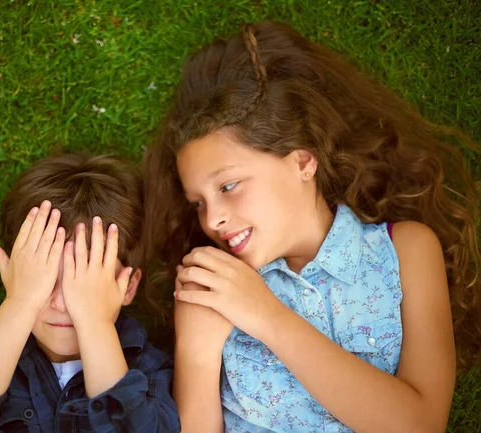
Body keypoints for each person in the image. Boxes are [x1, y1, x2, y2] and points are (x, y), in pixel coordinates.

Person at [143, 21, 481, 433]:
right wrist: (194, 351)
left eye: (228, 186)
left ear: (303, 162)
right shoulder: (210, 292)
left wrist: (266, 314)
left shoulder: (406, 250)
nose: (211, 219)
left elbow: (420, 425)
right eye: (197, 203)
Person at [0, 153, 180, 432]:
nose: (61, 303)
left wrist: (94, 323)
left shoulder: (149, 370)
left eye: (84, 280)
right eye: (45, 277)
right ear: (16, 275)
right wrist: (21, 301)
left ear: (128, 286)